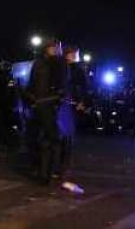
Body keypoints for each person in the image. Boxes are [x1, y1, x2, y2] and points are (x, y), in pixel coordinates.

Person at [26, 38, 68, 185]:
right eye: (52, 47)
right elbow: (31, 83)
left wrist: (57, 99)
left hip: (50, 104)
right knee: (41, 139)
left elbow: (62, 84)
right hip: (40, 104)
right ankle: (42, 170)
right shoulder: (40, 63)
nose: (55, 49)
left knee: (50, 140)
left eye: (56, 47)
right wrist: (31, 100)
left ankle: (46, 173)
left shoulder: (59, 63)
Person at [58, 46, 91, 180]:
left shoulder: (62, 69)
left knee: (64, 135)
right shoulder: (77, 69)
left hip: (64, 104)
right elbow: (85, 87)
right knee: (68, 135)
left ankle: (62, 165)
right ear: (71, 55)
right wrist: (83, 102)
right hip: (72, 104)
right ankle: (64, 166)